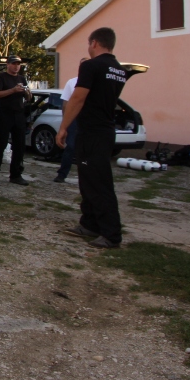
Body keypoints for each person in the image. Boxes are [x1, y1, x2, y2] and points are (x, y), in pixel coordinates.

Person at [57, 27, 129, 249]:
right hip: (105, 130)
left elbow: (78, 98)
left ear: (95, 43)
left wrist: (63, 127)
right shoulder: (119, 69)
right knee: (87, 179)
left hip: (92, 132)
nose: (89, 48)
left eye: (89, 44)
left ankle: (111, 234)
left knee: (98, 182)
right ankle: (89, 223)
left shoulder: (90, 66)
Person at [0, 56, 32, 185]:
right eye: (14, 64)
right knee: (0, 144)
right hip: (4, 114)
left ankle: (16, 174)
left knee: (19, 145)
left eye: (18, 64)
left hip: (19, 114)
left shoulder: (21, 78)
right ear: (8, 64)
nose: (16, 66)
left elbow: (28, 98)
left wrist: (27, 92)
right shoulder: (1, 77)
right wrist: (13, 90)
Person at [53, 58, 89, 183]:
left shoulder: (95, 83)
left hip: (88, 119)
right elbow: (65, 104)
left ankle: (87, 176)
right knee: (71, 146)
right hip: (74, 119)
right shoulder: (72, 82)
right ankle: (62, 174)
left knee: (87, 148)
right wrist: (65, 123)